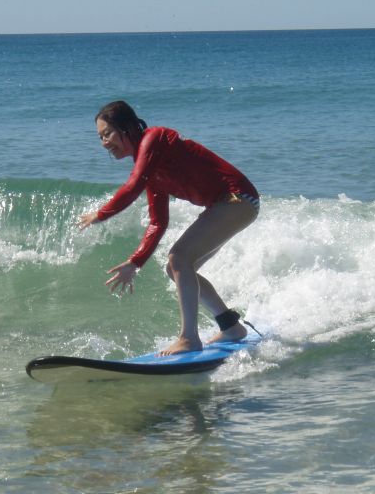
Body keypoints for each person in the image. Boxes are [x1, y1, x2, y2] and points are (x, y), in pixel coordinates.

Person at [78, 101, 259, 356]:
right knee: (177, 268)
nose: (104, 142)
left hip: (237, 199)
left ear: (126, 127)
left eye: (107, 133)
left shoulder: (155, 138)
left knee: (179, 258)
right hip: (227, 205)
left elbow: (132, 186)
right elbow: (158, 222)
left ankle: (189, 338)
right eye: (100, 137)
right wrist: (135, 262)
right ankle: (231, 327)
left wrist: (101, 213)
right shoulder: (150, 168)